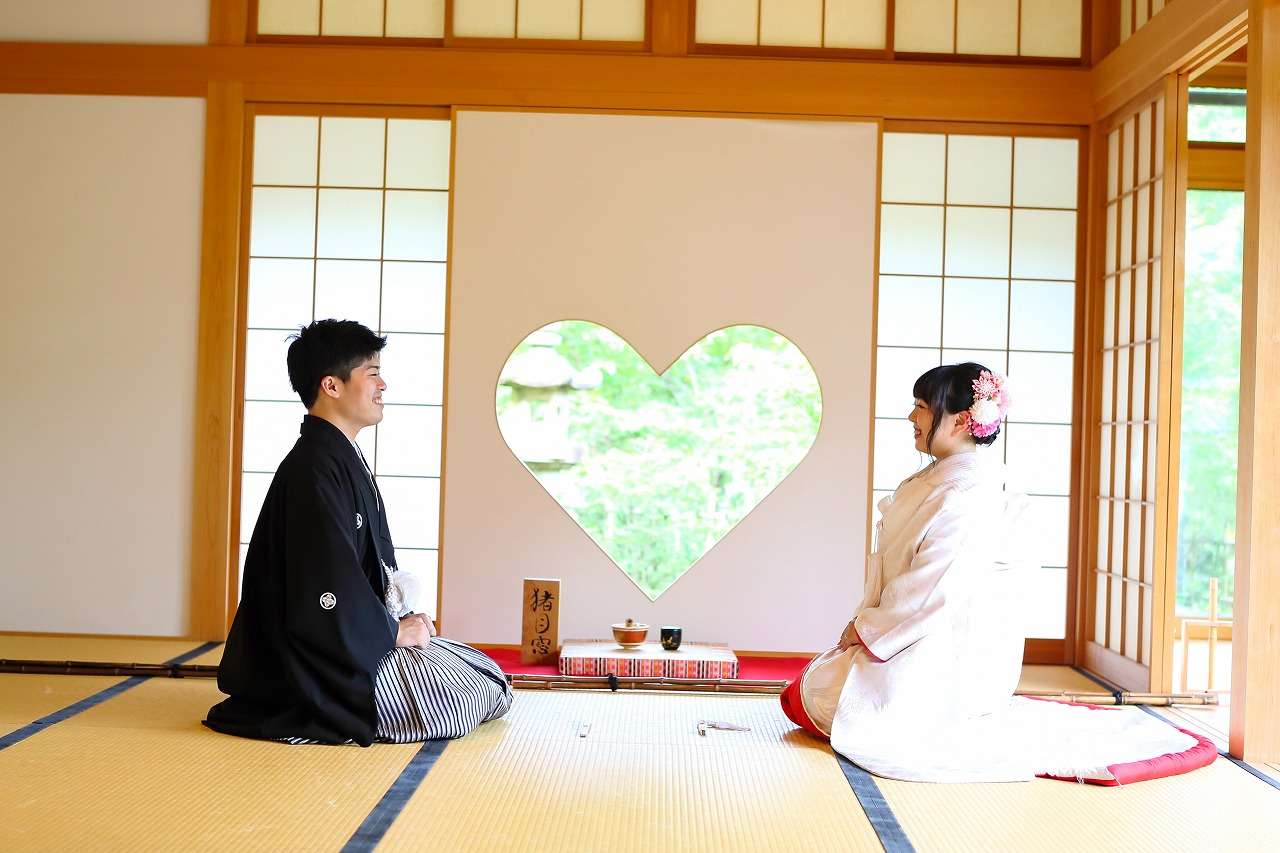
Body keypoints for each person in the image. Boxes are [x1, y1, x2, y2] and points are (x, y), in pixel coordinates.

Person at [780, 364, 1210, 784]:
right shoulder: (944, 477)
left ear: (963, 420)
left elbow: (934, 589)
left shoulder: (967, 491)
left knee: (820, 698)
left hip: (942, 645)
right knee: (814, 691)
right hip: (914, 632)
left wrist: (864, 629)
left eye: (922, 406)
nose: (912, 417)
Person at [205, 320, 512, 746]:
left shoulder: (338, 458)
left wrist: (399, 619)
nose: (382, 384)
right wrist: (391, 633)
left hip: (355, 640)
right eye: (372, 373)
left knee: (487, 674)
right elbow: (325, 589)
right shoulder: (311, 469)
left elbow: (365, 571)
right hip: (314, 667)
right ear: (331, 385)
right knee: (460, 698)